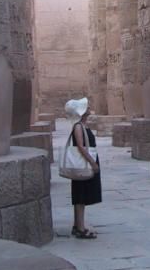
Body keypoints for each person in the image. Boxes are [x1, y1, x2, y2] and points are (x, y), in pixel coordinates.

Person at [64, 97, 102, 239]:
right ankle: (80, 228)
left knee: (81, 196)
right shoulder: (78, 126)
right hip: (83, 164)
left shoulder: (83, 125)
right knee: (80, 197)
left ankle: (77, 225)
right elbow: (80, 146)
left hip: (84, 163)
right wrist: (92, 162)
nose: (88, 107)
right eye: (86, 107)